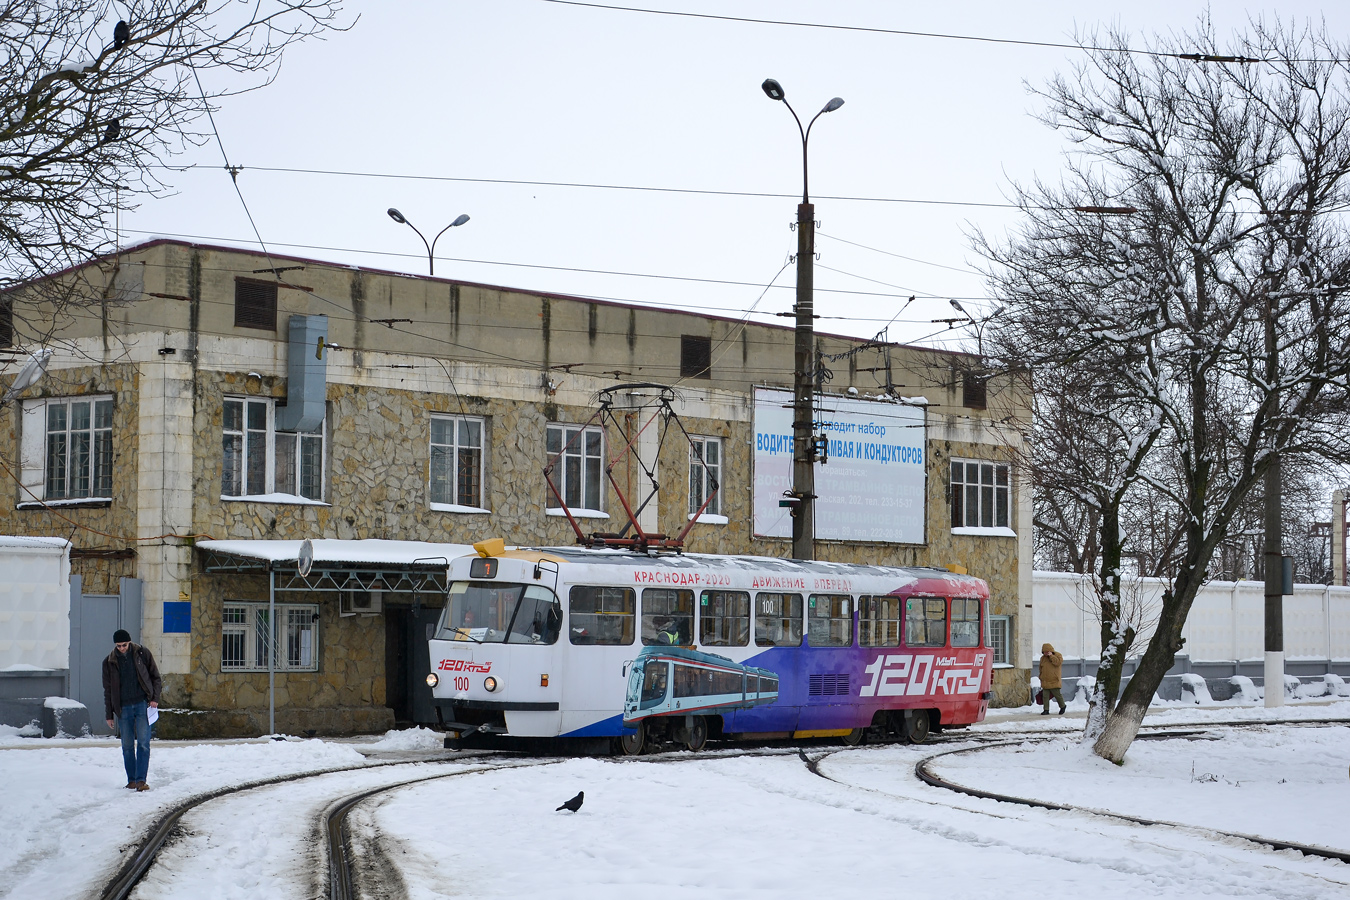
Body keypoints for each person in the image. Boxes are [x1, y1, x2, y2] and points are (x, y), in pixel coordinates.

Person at [102, 629, 162, 791]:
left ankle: (141, 780)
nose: (122, 648)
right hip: (123, 708)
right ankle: (132, 780)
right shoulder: (109, 662)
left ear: (129, 642)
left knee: (143, 743)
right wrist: (109, 714)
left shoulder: (142, 653)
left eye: (124, 645)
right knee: (127, 746)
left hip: (143, 704)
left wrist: (154, 698)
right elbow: (108, 690)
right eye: (119, 645)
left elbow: (155, 677)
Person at [1040, 642, 1066, 715]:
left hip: (1054, 680)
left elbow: (1057, 663)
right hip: (1045, 680)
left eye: (1047, 651)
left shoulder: (1057, 655)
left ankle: (1062, 706)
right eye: (1044, 652)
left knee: (1057, 695)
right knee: (1045, 696)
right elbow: (1041, 668)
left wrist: (1051, 656)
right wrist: (1041, 676)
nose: (1045, 653)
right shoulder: (1042, 658)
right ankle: (1046, 710)